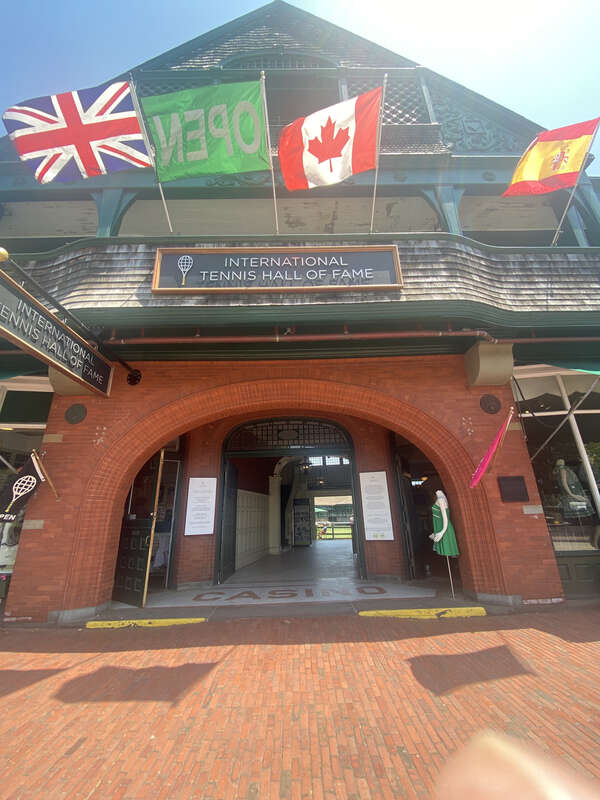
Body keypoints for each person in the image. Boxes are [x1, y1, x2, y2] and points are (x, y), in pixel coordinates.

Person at [429, 489, 459, 557]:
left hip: (443, 528)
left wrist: (442, 532)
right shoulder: (441, 499)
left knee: (447, 550)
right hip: (440, 527)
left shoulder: (441, 500)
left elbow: (445, 518)